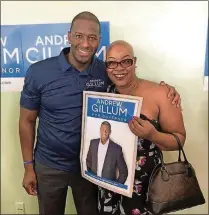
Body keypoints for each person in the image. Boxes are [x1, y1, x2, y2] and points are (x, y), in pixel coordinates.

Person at [19, 11, 181, 215]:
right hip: (49, 165)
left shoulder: (105, 71)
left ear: (99, 41)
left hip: (91, 169)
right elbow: (26, 121)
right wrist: (27, 167)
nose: (85, 44)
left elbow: (133, 85)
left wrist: (168, 91)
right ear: (68, 36)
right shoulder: (39, 72)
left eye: (92, 38)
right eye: (79, 36)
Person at [98, 40, 186, 215]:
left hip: (145, 185)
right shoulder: (103, 94)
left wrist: (152, 135)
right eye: (112, 63)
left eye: (126, 61)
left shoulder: (161, 94)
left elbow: (179, 140)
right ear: (106, 66)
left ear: (134, 62)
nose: (119, 68)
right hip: (109, 182)